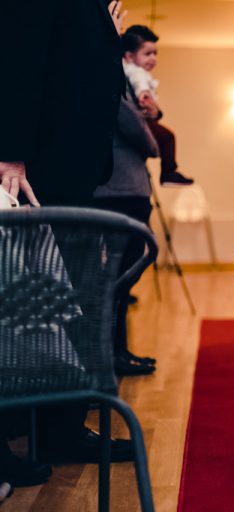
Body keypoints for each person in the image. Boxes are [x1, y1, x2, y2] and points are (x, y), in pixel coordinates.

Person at [0, 0, 135, 470]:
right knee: (26, 307)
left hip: (70, 171)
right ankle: (32, 432)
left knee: (64, 304)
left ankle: (57, 428)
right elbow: (18, 58)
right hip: (39, 171)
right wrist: (10, 154)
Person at [93, 83, 160, 376]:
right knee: (117, 280)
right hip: (120, 191)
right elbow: (139, 133)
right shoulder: (113, 88)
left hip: (121, 191)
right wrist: (154, 144)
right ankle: (111, 358)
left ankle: (119, 353)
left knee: (120, 281)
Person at [122, 25, 194, 186]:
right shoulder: (134, 71)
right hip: (141, 123)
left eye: (155, 53)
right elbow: (138, 82)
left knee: (166, 137)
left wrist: (155, 111)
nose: (153, 58)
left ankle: (168, 172)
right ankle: (168, 172)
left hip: (145, 120)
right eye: (147, 54)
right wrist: (144, 94)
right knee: (168, 137)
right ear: (129, 56)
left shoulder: (134, 70)